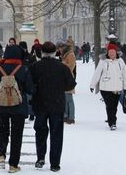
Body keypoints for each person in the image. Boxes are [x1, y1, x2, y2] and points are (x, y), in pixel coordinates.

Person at [29, 41, 76, 172]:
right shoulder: (62, 67)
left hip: (40, 103)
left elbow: (29, 84)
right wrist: (60, 88)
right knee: (57, 134)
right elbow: (71, 84)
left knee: (40, 132)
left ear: (42, 53)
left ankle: (40, 157)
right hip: (57, 103)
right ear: (55, 53)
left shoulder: (35, 67)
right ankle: (55, 162)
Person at [0, 43, 35, 173]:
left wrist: (3, 94)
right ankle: (13, 164)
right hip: (18, 107)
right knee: (17, 135)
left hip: (1, 106)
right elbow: (30, 89)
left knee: (3, 131)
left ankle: (1, 156)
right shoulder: (23, 69)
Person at [90, 43, 126, 130]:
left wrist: (125, 87)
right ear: (108, 53)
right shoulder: (103, 61)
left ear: (116, 53)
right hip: (105, 88)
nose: (112, 54)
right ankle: (112, 123)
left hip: (117, 88)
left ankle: (112, 120)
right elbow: (97, 73)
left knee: (114, 107)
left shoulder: (120, 61)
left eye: (113, 52)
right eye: (110, 52)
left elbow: (125, 75)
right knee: (109, 105)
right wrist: (92, 85)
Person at [60, 44, 76, 125]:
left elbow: (71, 66)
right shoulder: (66, 54)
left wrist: (63, 64)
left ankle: (71, 117)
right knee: (65, 98)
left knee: (69, 99)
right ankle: (66, 115)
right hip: (64, 78)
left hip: (68, 78)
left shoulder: (70, 54)